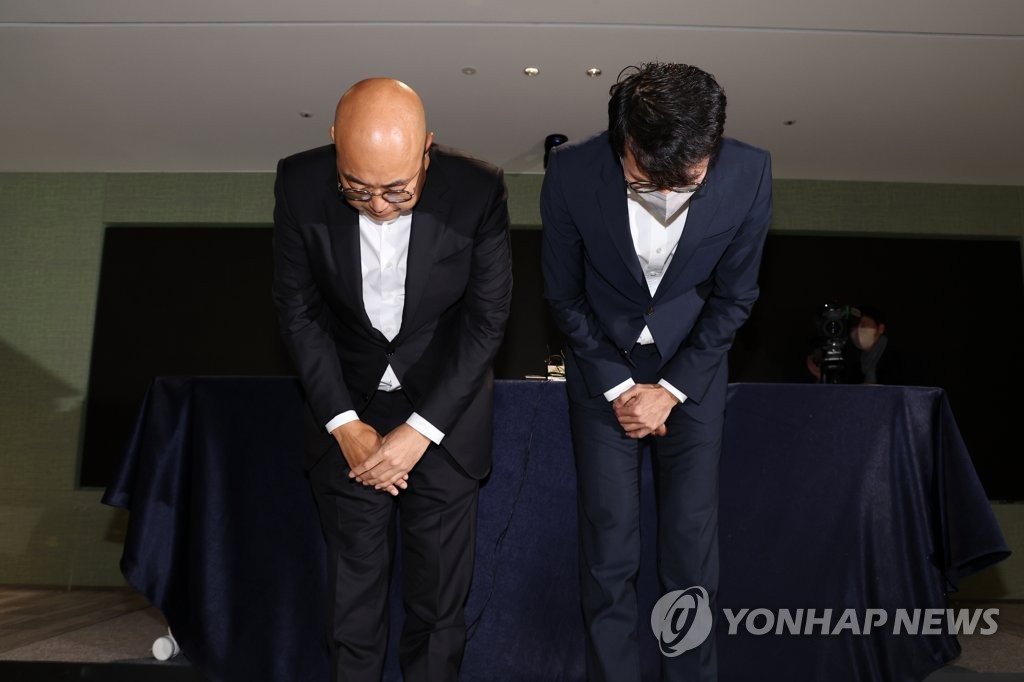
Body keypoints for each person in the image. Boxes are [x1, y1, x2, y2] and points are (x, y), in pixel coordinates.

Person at [272, 78, 512, 682]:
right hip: (345, 410)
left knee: (437, 609)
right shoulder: (299, 183)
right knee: (351, 607)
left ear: (427, 150)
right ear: (335, 144)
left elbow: (485, 323)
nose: (379, 206)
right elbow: (298, 314)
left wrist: (420, 430)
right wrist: (343, 424)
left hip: (443, 417)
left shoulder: (478, 189)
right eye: (357, 188)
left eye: (398, 190)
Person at [541, 62, 772, 682]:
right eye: (647, 181)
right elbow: (563, 295)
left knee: (691, 554)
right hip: (602, 371)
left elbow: (735, 297)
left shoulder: (749, 173)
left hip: (693, 370)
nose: (668, 201)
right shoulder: (570, 172)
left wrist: (671, 389)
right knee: (609, 551)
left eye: (687, 182)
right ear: (623, 143)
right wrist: (620, 386)